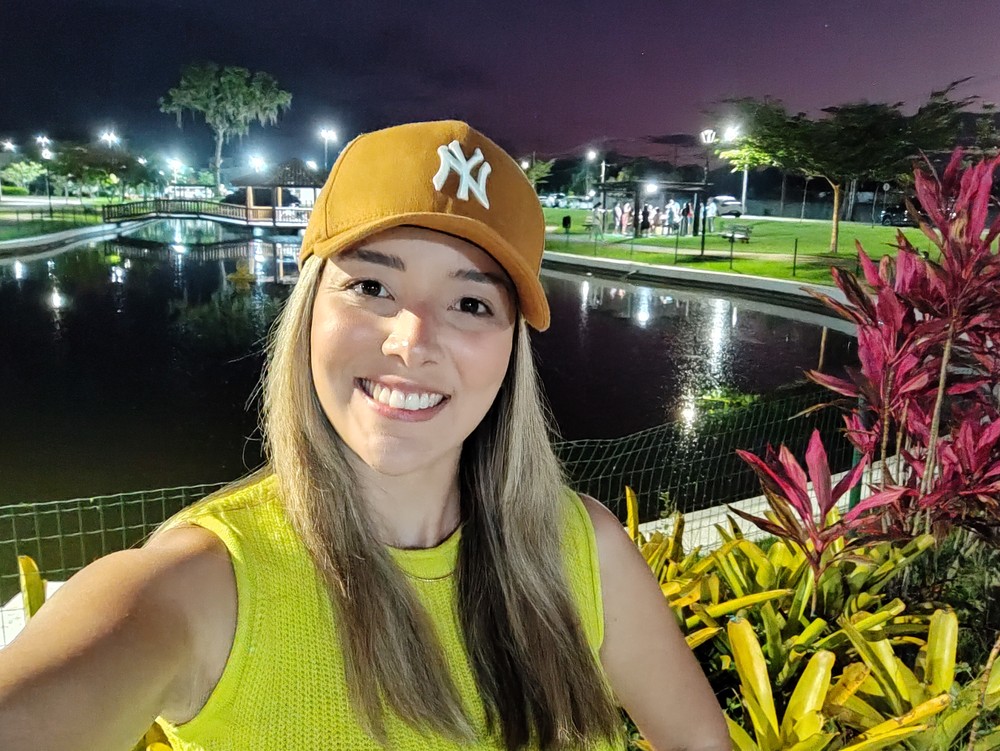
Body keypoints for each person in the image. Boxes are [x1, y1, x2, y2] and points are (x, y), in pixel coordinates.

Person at [0, 121, 729, 751]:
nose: (413, 341)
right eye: (372, 287)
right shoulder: (199, 587)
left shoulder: (583, 548)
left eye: (471, 302)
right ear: (309, 310)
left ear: (512, 349)